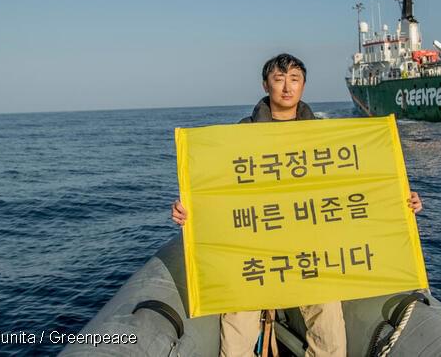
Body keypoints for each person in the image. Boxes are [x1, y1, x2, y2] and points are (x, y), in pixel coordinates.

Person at [172, 53, 422, 357]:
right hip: (255, 248)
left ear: (303, 85)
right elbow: (218, 189)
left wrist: (399, 203)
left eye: (294, 79)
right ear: (266, 85)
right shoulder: (241, 134)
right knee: (236, 332)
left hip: (312, 250)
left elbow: (354, 185)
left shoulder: (323, 135)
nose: (287, 88)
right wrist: (189, 210)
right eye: (279, 80)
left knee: (329, 331)